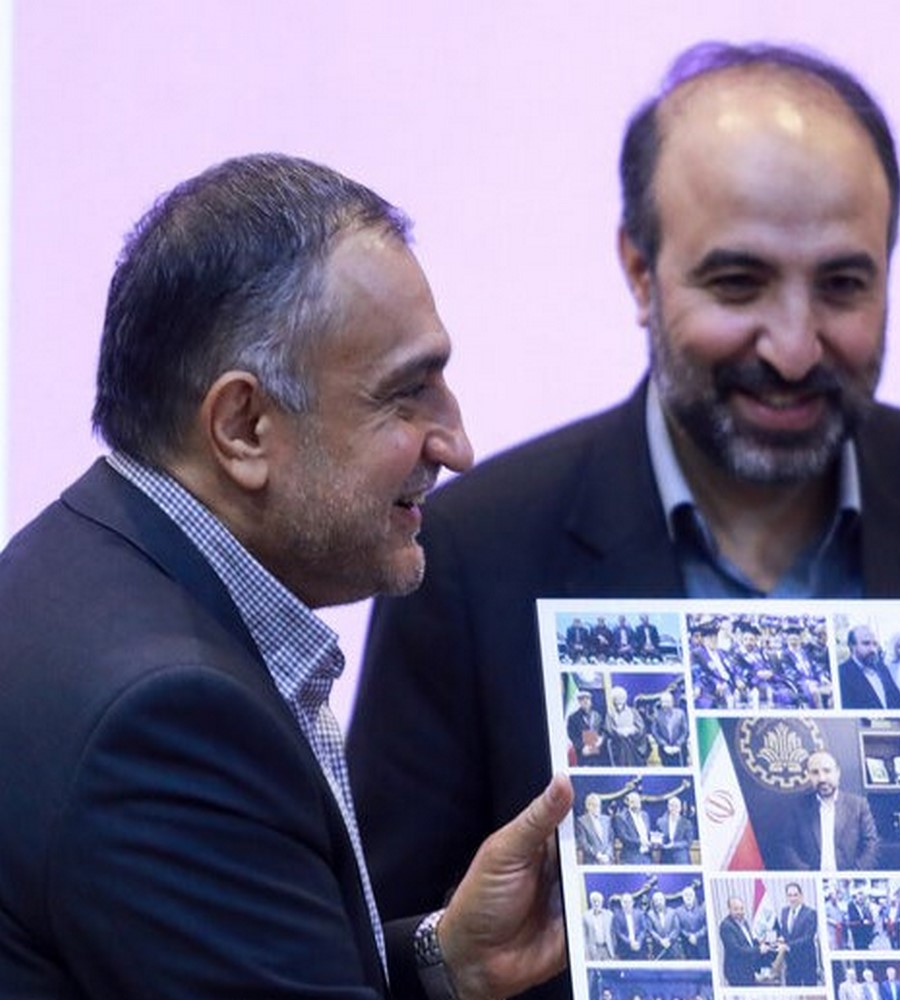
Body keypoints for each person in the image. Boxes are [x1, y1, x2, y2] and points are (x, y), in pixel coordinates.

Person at [348, 40, 900, 997]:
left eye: (843, 286)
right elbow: (375, 951)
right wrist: (448, 956)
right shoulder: (471, 552)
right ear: (639, 269)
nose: (792, 348)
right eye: (739, 285)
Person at [0, 153, 570, 999]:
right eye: (406, 394)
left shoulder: (78, 564)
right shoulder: (173, 718)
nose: (457, 445)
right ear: (243, 427)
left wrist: (444, 960)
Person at [776, 749, 880, 870]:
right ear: (809, 775)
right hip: (813, 879)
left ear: (837, 773)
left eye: (827, 771)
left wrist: (853, 875)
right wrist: (807, 874)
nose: (822, 778)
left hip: (851, 878)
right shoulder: (799, 807)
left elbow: (871, 845)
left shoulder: (858, 805)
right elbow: (787, 846)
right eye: (815, 772)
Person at [839, 624, 900, 709]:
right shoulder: (842, 674)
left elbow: (899, 700)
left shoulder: (882, 668)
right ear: (852, 646)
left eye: (875, 644)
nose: (872, 649)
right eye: (866, 643)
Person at [776, 882, 820, 986]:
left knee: (809, 990)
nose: (793, 899)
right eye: (790, 895)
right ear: (786, 897)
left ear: (801, 896)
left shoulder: (810, 913)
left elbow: (808, 938)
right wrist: (781, 938)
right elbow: (784, 931)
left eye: (795, 895)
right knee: (792, 988)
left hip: (806, 962)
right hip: (790, 962)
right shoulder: (784, 911)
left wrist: (787, 945)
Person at [718, 896, 766, 986]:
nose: (740, 912)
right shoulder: (726, 926)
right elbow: (736, 950)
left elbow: (748, 942)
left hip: (748, 970)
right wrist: (759, 949)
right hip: (737, 973)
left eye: (741, 908)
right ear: (729, 910)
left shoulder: (744, 922)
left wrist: (758, 942)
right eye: (736, 909)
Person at [604, 686, 650, 767]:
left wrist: (632, 731)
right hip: (620, 747)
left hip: (634, 746)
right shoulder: (610, 714)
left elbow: (641, 728)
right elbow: (609, 729)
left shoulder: (633, 712)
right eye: (616, 698)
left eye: (621, 698)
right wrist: (619, 732)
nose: (619, 700)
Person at [612, 791, 654, 864]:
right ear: (628, 803)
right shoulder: (621, 817)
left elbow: (648, 834)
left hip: (647, 856)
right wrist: (640, 842)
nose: (636, 804)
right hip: (630, 857)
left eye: (637, 801)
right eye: (632, 801)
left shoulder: (645, 816)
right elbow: (624, 838)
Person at [650, 690, 688, 767]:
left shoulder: (680, 714)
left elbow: (685, 731)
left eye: (667, 702)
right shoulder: (657, 715)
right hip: (664, 751)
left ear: (672, 702)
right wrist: (664, 744)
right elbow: (655, 732)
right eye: (663, 702)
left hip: (680, 751)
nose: (665, 704)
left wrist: (678, 744)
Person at [576, 792, 616, 864]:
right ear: (588, 806)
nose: (597, 808)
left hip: (607, 861)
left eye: (598, 806)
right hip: (592, 861)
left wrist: (608, 855)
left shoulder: (606, 819)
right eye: (594, 805)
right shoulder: (581, 821)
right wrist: (597, 855)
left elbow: (611, 840)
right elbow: (583, 843)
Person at [568, 689, 605, 766]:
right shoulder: (573, 718)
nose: (585, 701)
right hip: (583, 753)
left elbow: (603, 731)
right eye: (582, 699)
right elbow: (572, 736)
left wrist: (601, 740)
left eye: (587, 698)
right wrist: (582, 747)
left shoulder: (597, 716)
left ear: (591, 701)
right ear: (579, 702)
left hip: (598, 752)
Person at [654, 795, 695, 864]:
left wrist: (674, 845)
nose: (674, 808)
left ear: (680, 808)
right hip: (666, 858)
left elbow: (689, 842)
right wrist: (657, 843)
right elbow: (658, 837)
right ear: (668, 807)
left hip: (681, 859)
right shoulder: (660, 822)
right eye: (671, 805)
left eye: (676, 806)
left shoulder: (687, 823)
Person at [644, 891, 680, 960]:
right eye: (656, 900)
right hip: (658, 949)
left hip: (672, 948)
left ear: (664, 900)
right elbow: (650, 930)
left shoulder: (672, 912)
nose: (659, 902)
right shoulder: (650, 914)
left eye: (660, 899)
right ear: (653, 902)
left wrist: (669, 939)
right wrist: (660, 941)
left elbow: (676, 928)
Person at [676, 886, 709, 959]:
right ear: (683, 897)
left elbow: (706, 926)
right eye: (686, 895)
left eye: (690, 895)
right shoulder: (678, 911)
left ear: (694, 896)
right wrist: (689, 936)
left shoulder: (701, 909)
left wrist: (696, 936)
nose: (688, 897)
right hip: (687, 945)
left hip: (701, 944)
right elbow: (679, 928)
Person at [612, 893, 647, 960]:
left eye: (629, 902)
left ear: (633, 903)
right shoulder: (617, 916)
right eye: (625, 902)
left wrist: (638, 941)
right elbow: (619, 932)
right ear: (621, 903)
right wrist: (630, 943)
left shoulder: (640, 914)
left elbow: (643, 929)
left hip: (639, 948)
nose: (627, 904)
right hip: (625, 949)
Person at [583, 891, 615, 960]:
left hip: (607, 949)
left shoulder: (609, 915)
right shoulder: (586, 916)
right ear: (591, 902)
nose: (596, 904)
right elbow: (585, 936)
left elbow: (613, 934)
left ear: (602, 902)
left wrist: (614, 949)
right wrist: (587, 952)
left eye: (598, 901)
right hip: (594, 950)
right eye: (594, 901)